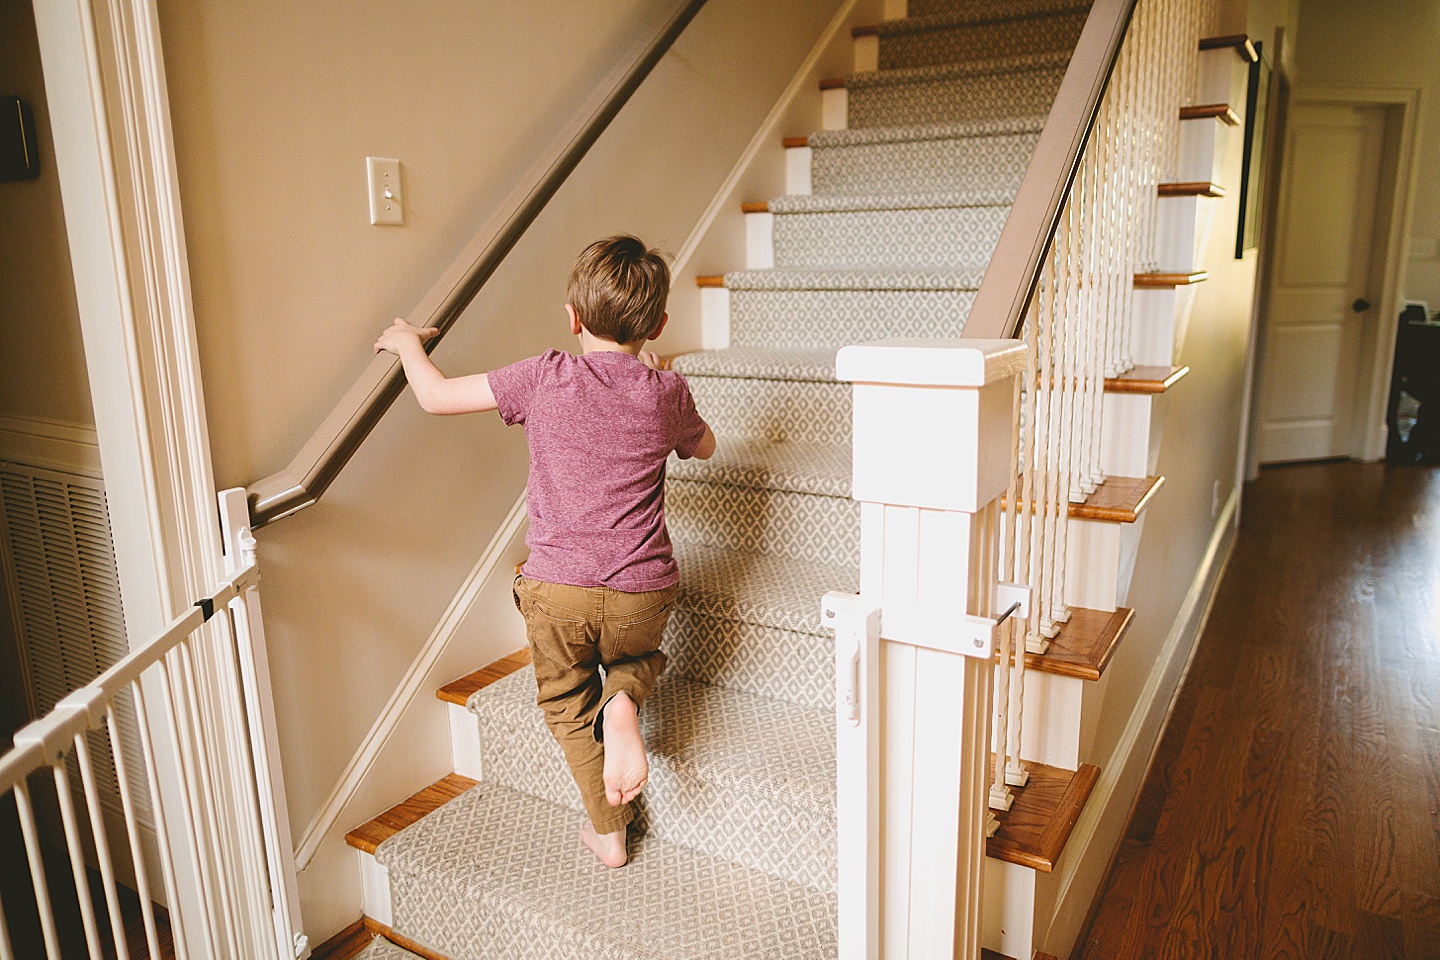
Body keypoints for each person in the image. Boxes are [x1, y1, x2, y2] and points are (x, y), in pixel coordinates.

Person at [374, 235, 716, 868]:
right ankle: (624, 703)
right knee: (638, 655)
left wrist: (407, 345)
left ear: (573, 316)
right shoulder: (668, 393)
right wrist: (665, 385)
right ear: (659, 324)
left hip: (557, 590)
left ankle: (609, 829)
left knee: (563, 696)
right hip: (643, 591)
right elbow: (706, 448)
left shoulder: (544, 375)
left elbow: (435, 397)